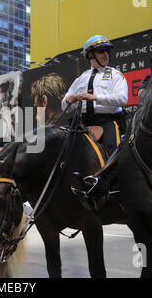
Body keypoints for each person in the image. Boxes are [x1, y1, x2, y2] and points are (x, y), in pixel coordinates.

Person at [62, 35, 128, 210]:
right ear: (90, 55)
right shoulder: (81, 78)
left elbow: (122, 99)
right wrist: (68, 100)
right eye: (101, 51)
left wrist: (95, 97)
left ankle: (112, 190)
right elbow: (64, 106)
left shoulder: (115, 74)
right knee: (62, 150)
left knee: (114, 154)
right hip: (82, 123)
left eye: (107, 50)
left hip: (107, 122)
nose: (106, 54)